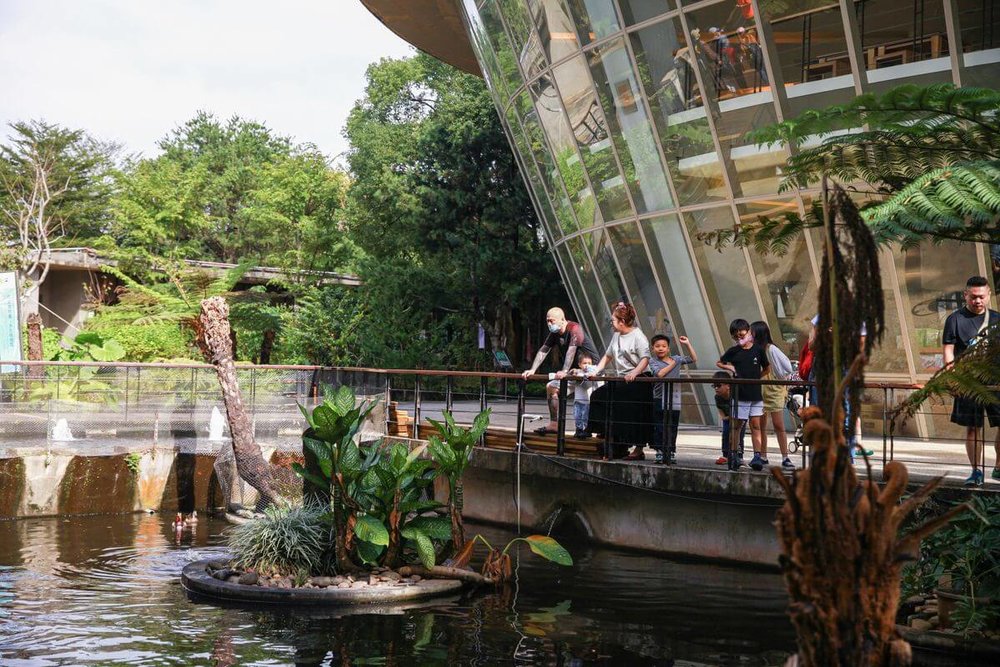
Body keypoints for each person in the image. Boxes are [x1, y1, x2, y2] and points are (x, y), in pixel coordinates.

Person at [942, 275, 1000, 486]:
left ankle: (998, 467)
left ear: (988, 295)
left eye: (982, 297)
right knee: (973, 428)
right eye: (973, 297)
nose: (978, 301)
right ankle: (976, 471)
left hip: (995, 382)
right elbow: (948, 351)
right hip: (968, 383)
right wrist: (952, 377)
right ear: (966, 295)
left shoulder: (997, 319)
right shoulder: (955, 320)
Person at [586, 302, 653, 460]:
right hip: (622, 379)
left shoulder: (638, 336)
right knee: (598, 396)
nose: (612, 323)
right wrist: (596, 370)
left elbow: (645, 358)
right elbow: (608, 355)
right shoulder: (616, 336)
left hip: (638, 379)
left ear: (622, 322)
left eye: (613, 320)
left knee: (635, 414)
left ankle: (637, 449)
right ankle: (605, 432)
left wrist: (635, 373)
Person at [522, 307, 601, 436]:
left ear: (562, 319)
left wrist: (564, 371)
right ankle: (554, 424)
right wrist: (532, 369)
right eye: (547, 321)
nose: (549, 324)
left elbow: (571, 351)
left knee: (583, 401)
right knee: (551, 387)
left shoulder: (574, 328)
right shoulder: (554, 333)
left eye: (551, 321)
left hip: (589, 371)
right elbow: (544, 350)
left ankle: (586, 429)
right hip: (573, 373)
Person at [717, 318, 769, 471]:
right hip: (740, 394)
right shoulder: (734, 351)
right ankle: (734, 454)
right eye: (736, 336)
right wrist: (732, 368)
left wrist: (756, 378)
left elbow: (767, 368)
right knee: (737, 425)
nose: (740, 338)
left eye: (742, 335)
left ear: (748, 333)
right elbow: (720, 362)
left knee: (755, 425)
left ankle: (757, 456)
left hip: (755, 394)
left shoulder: (758, 350)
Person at [750, 321, 795, 470]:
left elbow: (787, 366)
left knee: (778, 425)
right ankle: (763, 455)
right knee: (761, 425)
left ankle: (785, 456)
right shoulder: (754, 350)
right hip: (760, 390)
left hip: (773, 390)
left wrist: (780, 377)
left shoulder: (771, 349)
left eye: (752, 332)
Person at [649, 333, 697, 464]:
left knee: (673, 425)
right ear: (653, 348)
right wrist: (675, 363)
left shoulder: (675, 358)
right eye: (657, 346)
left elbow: (693, 358)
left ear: (668, 348)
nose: (661, 348)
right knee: (660, 425)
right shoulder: (653, 361)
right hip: (659, 397)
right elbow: (660, 374)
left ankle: (670, 451)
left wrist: (687, 344)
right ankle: (659, 451)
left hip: (674, 396)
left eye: (664, 346)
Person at [712, 370, 747, 465]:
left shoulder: (735, 395)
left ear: (728, 385)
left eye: (718, 385)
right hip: (728, 417)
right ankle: (726, 454)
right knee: (726, 432)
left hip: (739, 417)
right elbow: (721, 412)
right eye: (714, 386)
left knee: (739, 434)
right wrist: (726, 417)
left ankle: (739, 455)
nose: (716, 388)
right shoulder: (717, 397)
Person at [567, 351, 601, 439]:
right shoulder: (577, 373)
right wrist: (573, 373)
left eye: (589, 363)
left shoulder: (592, 373)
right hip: (577, 400)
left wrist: (590, 373)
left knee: (586, 416)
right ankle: (578, 430)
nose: (587, 365)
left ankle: (586, 430)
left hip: (587, 401)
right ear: (579, 364)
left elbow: (593, 381)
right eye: (584, 363)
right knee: (577, 415)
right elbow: (571, 381)